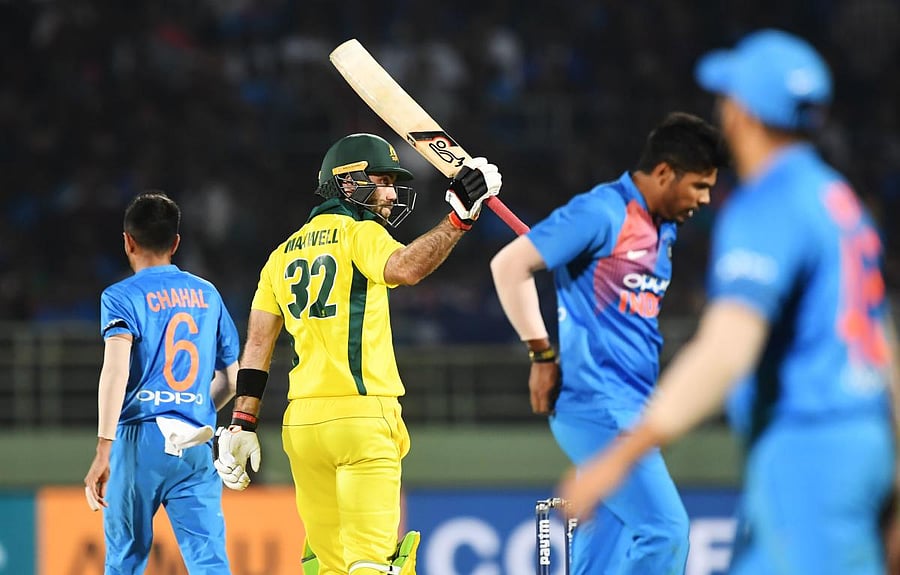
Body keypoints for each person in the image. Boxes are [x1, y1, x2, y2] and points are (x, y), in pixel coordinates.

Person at [558, 29, 900, 575]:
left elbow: (726, 351)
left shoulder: (769, 205)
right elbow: (882, 346)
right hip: (861, 447)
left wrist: (617, 459)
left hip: (808, 452)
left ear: (741, 114)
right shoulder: (840, 202)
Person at [213, 133, 502, 575]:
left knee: (328, 568)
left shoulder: (279, 256)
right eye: (382, 181)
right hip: (363, 419)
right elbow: (406, 267)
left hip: (304, 428)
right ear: (347, 184)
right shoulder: (359, 233)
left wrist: (241, 422)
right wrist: (460, 218)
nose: (390, 194)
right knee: (373, 564)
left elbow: (257, 345)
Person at [490, 112, 727, 574]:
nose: (705, 199)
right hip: (598, 407)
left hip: (634, 412)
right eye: (699, 185)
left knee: (606, 548)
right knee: (665, 531)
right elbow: (510, 265)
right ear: (664, 173)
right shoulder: (602, 212)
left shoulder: (663, 227)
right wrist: (541, 354)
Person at [83, 192, 241, 574]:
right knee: (210, 563)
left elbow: (116, 371)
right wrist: (193, 408)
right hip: (196, 439)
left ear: (128, 241)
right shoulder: (207, 294)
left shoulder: (120, 297)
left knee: (125, 560)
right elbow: (233, 378)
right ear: (175, 243)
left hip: (140, 440)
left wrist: (104, 448)